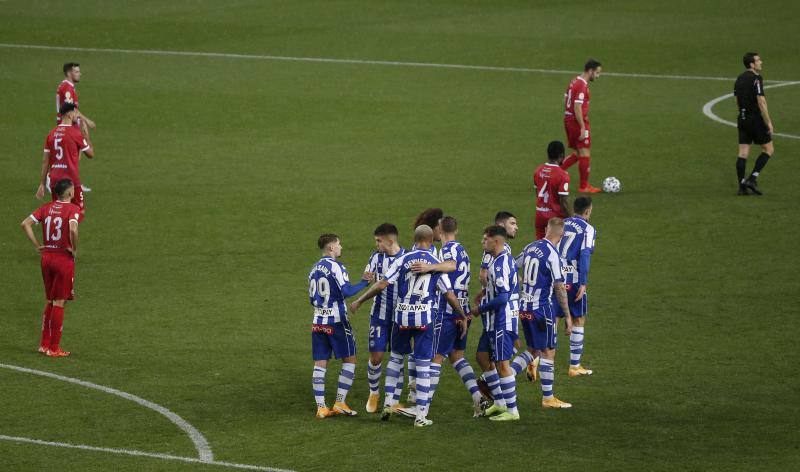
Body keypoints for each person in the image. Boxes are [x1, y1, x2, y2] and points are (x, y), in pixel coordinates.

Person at [350, 225, 468, 428]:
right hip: (424, 320)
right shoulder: (435, 263)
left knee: (395, 358)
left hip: (401, 317)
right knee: (423, 364)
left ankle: (388, 404)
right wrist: (462, 314)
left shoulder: (402, 259)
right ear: (431, 241)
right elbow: (449, 294)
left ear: (414, 240)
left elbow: (382, 284)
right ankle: (421, 416)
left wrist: (360, 300)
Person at [426, 216, 485, 417]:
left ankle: (421, 407)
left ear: (439, 229)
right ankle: (478, 397)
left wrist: (429, 267)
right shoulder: (463, 250)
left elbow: (450, 266)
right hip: (463, 309)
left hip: (450, 311)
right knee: (457, 357)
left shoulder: (448, 250)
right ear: (457, 230)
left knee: (435, 357)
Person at [308, 234, 371, 419]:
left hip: (318, 321)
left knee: (320, 363)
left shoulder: (313, 269)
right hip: (337, 322)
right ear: (331, 248)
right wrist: (364, 283)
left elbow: (311, 298)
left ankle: (321, 407)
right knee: (349, 360)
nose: (341, 247)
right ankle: (340, 402)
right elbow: (347, 291)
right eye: (338, 244)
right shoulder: (336, 266)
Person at [21, 178, 82, 357]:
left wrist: (37, 245)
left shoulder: (46, 208)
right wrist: (74, 248)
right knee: (59, 302)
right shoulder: (73, 209)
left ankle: (44, 344)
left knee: (50, 300)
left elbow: (25, 224)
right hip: (63, 259)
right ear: (70, 193)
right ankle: (54, 348)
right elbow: (72, 230)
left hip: (47, 257)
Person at [517, 218, 573, 409]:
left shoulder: (531, 246)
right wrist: (567, 316)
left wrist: (523, 282)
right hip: (542, 309)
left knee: (533, 350)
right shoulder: (554, 255)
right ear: (562, 234)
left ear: (547, 229)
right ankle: (548, 398)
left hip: (523, 307)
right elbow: (559, 287)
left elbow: (512, 267)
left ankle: (503, 377)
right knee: (548, 351)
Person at [469, 225, 521, 421]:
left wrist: (478, 309)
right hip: (492, 322)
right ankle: (499, 403)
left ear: (496, 241)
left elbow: (503, 298)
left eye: (485, 239)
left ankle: (512, 410)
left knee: (502, 364)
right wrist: (484, 293)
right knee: (482, 356)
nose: (483, 242)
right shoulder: (498, 260)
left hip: (501, 320)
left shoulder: (500, 264)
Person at [362, 223, 405, 413]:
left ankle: (393, 399)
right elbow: (369, 275)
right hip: (379, 315)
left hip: (401, 317)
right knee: (376, 356)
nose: (377, 244)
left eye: (379, 241)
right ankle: (374, 393)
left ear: (390, 240)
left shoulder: (407, 257)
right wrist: (367, 277)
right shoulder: (376, 256)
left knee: (397, 356)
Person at [554, 197, 596, 376]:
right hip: (573, 277)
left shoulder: (562, 223)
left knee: (554, 319)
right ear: (587, 211)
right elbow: (585, 255)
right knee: (579, 319)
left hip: (555, 277)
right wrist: (584, 282)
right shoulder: (588, 228)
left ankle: (537, 359)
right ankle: (574, 366)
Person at [36, 102, 94, 218]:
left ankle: (58, 235)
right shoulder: (75, 133)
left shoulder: (51, 134)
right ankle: (68, 235)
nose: (76, 116)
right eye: (75, 112)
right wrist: (86, 135)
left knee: (59, 212)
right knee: (79, 212)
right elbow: (90, 154)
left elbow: (45, 161)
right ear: (69, 114)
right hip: (71, 179)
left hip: (54, 180)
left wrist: (42, 184)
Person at [734, 52, 774, 195]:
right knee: (768, 149)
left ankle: (741, 187)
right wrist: (768, 122)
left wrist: (743, 113)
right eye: (758, 60)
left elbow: (737, 100)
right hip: (755, 119)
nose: (761, 62)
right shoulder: (756, 78)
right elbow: (761, 101)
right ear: (751, 64)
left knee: (743, 153)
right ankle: (752, 178)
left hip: (742, 118)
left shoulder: (739, 78)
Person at [561, 59, 602, 193]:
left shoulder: (574, 81)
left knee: (578, 153)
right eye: (597, 73)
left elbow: (565, 98)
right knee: (584, 153)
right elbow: (577, 106)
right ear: (590, 71)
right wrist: (582, 126)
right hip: (577, 122)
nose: (597, 76)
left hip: (569, 119)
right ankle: (584, 186)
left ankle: (552, 173)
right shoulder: (582, 85)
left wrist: (568, 115)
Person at [56, 62, 96, 193]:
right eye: (77, 72)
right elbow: (69, 109)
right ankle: (64, 181)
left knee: (73, 155)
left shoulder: (68, 86)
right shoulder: (67, 88)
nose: (80, 74)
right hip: (68, 126)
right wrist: (87, 121)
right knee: (72, 155)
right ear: (69, 73)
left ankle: (70, 182)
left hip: (69, 124)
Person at [534, 141, 571, 240]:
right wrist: (571, 219)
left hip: (540, 215)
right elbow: (563, 202)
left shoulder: (538, 170)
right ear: (562, 156)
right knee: (557, 248)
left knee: (540, 245)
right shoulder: (563, 175)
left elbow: (537, 193)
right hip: (555, 218)